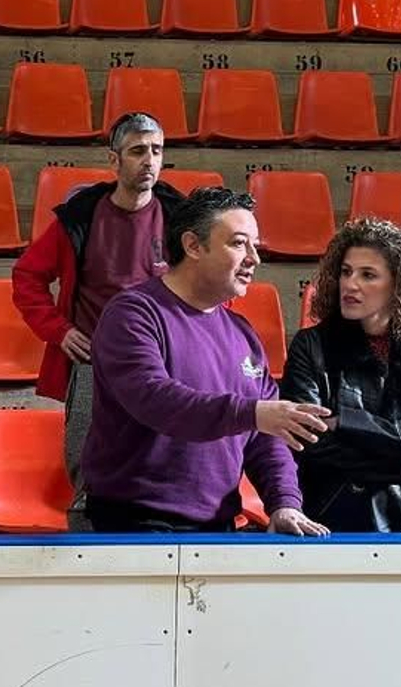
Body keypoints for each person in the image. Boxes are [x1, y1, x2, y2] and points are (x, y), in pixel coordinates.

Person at [81, 187, 331, 535]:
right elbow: (156, 401)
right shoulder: (133, 313)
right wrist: (253, 412)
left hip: (219, 524)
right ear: (193, 246)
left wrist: (284, 502)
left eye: (255, 245)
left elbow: (267, 436)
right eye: (239, 243)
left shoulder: (242, 332)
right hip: (133, 523)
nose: (254, 258)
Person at [11, 112, 187, 489]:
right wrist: (59, 331)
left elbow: (212, 283)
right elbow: (27, 276)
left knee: (164, 470)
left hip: (165, 362)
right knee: (88, 474)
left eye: (157, 151)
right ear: (114, 160)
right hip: (95, 361)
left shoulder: (183, 220)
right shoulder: (79, 218)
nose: (149, 161)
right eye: (138, 151)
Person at [279, 218, 401, 532]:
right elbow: (309, 440)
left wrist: (346, 422)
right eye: (346, 271)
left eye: (368, 275)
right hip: (335, 511)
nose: (350, 284)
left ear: (399, 285)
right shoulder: (311, 346)